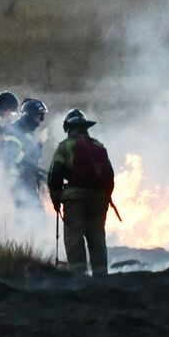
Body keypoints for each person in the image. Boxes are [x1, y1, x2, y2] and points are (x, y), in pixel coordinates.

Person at [47, 109, 114, 276]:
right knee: (97, 236)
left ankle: (79, 277)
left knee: (74, 237)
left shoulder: (65, 146)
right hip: (99, 199)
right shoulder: (98, 146)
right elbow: (110, 174)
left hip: (75, 200)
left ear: (68, 128)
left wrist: (55, 198)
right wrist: (106, 197)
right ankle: (101, 276)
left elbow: (55, 174)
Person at [0, 98, 49, 212]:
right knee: (33, 216)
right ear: (30, 115)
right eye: (39, 116)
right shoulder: (15, 132)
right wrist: (39, 144)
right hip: (19, 185)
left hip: (27, 183)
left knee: (34, 217)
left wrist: (42, 174)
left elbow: (31, 159)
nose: (40, 121)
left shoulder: (27, 133)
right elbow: (13, 158)